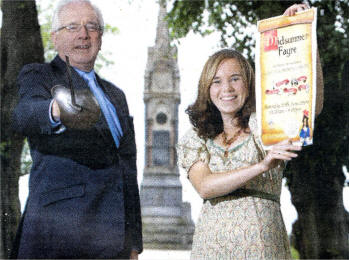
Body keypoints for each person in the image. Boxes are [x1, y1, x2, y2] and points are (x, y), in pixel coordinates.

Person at [177, 4, 323, 259]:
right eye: (217, 81)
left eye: (235, 78)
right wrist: (262, 165)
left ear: (248, 81)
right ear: (207, 88)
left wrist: (305, 36)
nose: (227, 89)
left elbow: (311, 107)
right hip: (211, 249)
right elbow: (206, 187)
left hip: (263, 247)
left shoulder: (264, 124)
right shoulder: (197, 137)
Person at [11, 0, 142, 258]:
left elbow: (126, 169)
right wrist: (56, 109)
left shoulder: (117, 95)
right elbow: (24, 114)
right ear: (55, 38)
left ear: (100, 38)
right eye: (72, 27)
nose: (83, 34)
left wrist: (134, 243)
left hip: (112, 243)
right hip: (58, 238)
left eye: (91, 26)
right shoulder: (39, 76)